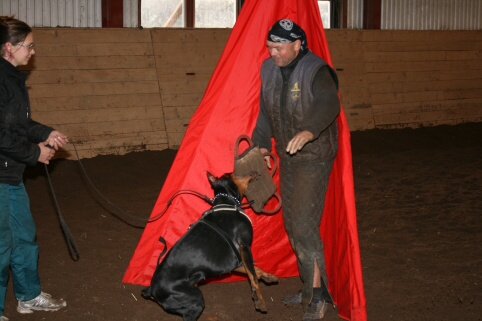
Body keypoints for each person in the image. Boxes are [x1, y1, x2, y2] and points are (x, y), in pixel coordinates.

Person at [251, 19, 340, 321]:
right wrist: (262, 146)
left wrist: (310, 131)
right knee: (293, 226)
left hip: (314, 156)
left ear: (298, 44)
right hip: (287, 157)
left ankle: (317, 297)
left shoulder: (317, 70)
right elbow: (265, 110)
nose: (273, 53)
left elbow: (329, 102)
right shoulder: (268, 69)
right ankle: (308, 290)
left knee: (303, 227)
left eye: (279, 47)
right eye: (270, 47)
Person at [0, 16, 69, 321]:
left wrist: (46, 134)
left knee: (24, 236)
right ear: (7, 48)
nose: (33, 52)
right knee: (1, 245)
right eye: (28, 46)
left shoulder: (13, 78)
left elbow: (19, 125)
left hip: (11, 174)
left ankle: (28, 296)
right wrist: (34, 153)